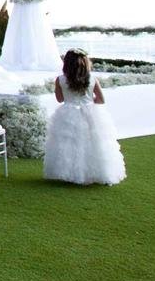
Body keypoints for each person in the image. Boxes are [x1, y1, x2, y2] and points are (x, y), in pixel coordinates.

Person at [45, 50, 126, 185]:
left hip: (68, 113)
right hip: (91, 113)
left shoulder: (60, 80)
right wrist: (87, 102)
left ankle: (69, 174)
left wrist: (72, 99)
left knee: (69, 144)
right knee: (94, 143)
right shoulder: (93, 79)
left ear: (66, 63)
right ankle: (97, 173)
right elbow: (101, 99)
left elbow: (59, 99)